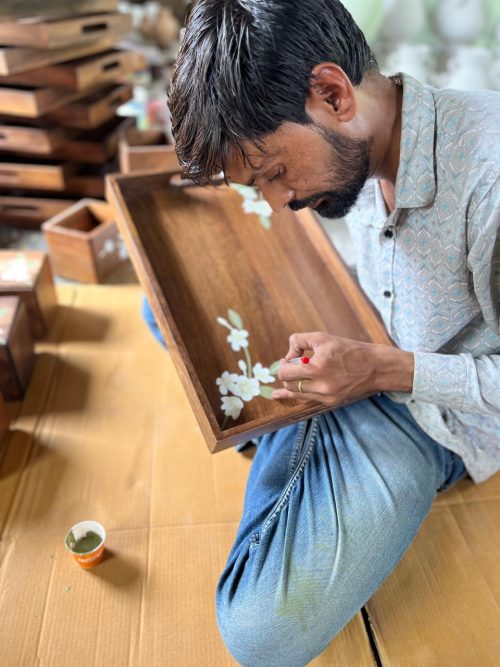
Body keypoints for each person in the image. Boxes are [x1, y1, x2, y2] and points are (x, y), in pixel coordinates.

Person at [143, 1, 499, 665]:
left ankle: (293, 432)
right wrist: (351, 352)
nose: (277, 203)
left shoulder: (491, 181)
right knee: (158, 301)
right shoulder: (364, 133)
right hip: (360, 332)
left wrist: (380, 370)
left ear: (333, 93)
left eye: (275, 174)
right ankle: (300, 430)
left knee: (260, 633)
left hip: (430, 417)